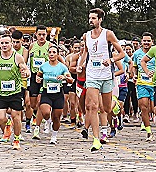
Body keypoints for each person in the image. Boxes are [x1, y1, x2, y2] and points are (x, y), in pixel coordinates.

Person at [78, 8, 126, 152]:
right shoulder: (86, 36)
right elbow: (85, 53)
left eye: (93, 18)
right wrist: (80, 65)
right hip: (92, 75)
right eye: (89, 18)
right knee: (92, 106)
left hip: (106, 75)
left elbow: (122, 53)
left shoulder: (108, 34)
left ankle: (114, 105)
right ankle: (96, 139)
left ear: (100, 20)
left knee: (106, 108)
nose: (90, 21)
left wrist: (111, 60)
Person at [0, 32, 30, 150]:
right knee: (0, 118)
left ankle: (17, 139)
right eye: (2, 43)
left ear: (11, 44)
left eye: (6, 43)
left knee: (16, 115)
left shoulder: (17, 57)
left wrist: (26, 73)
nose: (4, 45)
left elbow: (26, 70)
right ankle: (8, 125)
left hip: (15, 92)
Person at [35, 45, 73, 144]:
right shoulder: (43, 66)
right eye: (50, 52)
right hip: (46, 92)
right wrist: (38, 79)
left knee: (57, 117)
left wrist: (64, 78)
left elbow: (71, 80)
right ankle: (48, 121)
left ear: (57, 54)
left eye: (54, 52)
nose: (51, 54)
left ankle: (54, 136)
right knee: (46, 112)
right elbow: (38, 76)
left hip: (58, 93)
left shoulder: (62, 66)